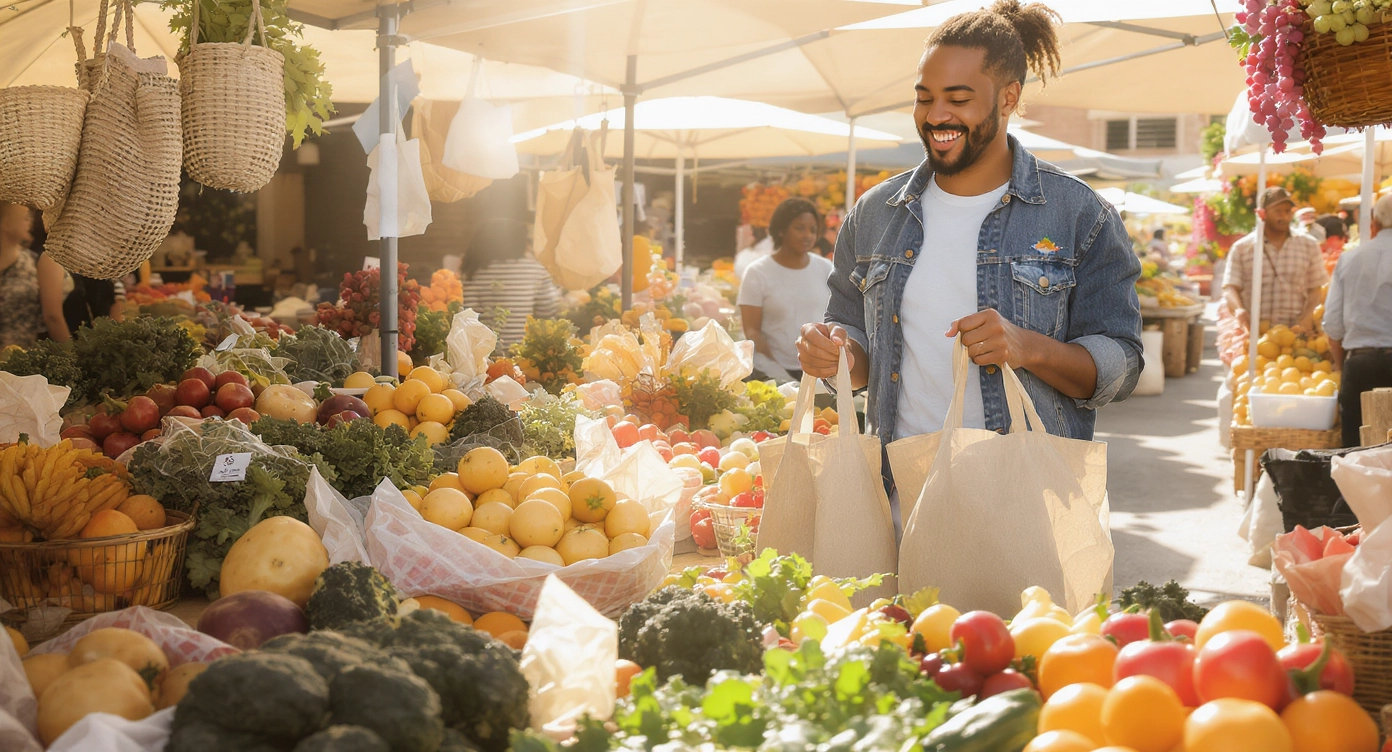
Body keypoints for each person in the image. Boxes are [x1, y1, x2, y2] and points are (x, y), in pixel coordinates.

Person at [797, 0, 1143, 467]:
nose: (937, 115)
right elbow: (854, 349)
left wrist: (1029, 348)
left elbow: (1122, 366)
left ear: (1007, 97)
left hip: (1026, 497)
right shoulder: (876, 212)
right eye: (924, 97)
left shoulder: (1079, 214)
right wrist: (832, 353)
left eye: (958, 100)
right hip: (897, 494)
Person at [739, 198, 834, 382]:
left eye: (813, 230)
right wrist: (780, 375)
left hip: (819, 374)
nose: (807, 235)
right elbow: (752, 331)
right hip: (769, 374)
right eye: (799, 228)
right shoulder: (757, 273)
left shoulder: (826, 269)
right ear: (781, 230)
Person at [1323, 192, 1392, 448]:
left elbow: (1332, 325)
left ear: (1374, 224)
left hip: (1360, 365)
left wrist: (1342, 367)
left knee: (1357, 454)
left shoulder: (1349, 259)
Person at [1223, 187, 1327, 331]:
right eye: (1278, 211)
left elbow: (1316, 288)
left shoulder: (1308, 245)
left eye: (1288, 211)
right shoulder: (1242, 248)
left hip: (1296, 334)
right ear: (1262, 213)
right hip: (1254, 334)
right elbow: (1230, 288)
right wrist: (1239, 310)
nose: (1284, 217)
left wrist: (1307, 317)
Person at [460, 218, 561, 349]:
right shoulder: (536, 269)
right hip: (525, 352)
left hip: (485, 352)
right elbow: (548, 310)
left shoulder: (474, 270)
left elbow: (469, 315)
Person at [37, 251, 123, 342]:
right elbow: (52, 317)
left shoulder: (101, 259)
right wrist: (72, 352)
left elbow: (116, 296)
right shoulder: (53, 258)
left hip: (99, 346)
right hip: (66, 346)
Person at [0, 202, 42, 349]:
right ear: (5, 223)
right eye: (25, 218)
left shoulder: (34, 264)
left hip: (22, 364)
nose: (29, 222)